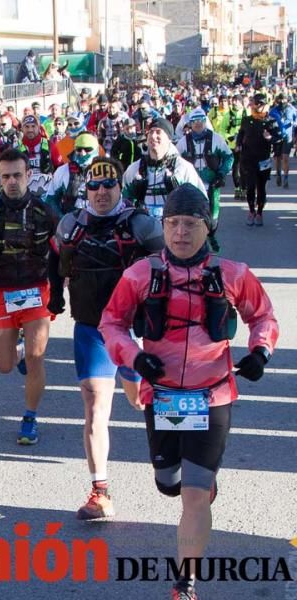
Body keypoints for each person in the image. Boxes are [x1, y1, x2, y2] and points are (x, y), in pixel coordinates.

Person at [98, 184, 278, 600]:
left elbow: (262, 315)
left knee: (195, 495)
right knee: (168, 483)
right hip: (162, 396)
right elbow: (112, 323)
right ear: (163, 226)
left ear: (207, 226)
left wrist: (260, 352)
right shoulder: (139, 275)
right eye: (173, 224)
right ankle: (197, 482)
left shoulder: (233, 273)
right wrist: (134, 357)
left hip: (211, 394)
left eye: (190, 224)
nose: (181, 232)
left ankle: (185, 584)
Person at [48, 157, 164, 520]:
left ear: (119, 186)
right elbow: (54, 259)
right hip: (91, 329)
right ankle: (101, 492)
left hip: (130, 330)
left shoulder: (142, 224)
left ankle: (177, 460)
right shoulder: (71, 224)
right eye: (93, 187)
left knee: (139, 401)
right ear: (85, 189)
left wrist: (157, 319)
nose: (100, 193)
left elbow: (168, 267)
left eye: (108, 185)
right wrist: (55, 295)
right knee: (96, 406)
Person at [0, 148, 59, 445]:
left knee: (36, 357)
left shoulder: (46, 212)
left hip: (36, 290)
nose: (12, 181)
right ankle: (16, 352)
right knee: (4, 365)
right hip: (1, 292)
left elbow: (62, 250)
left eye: (18, 175)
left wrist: (63, 281)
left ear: (29, 175)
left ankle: (30, 417)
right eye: (6, 176)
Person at [122, 118, 206, 220]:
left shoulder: (183, 168)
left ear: (169, 138)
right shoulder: (134, 169)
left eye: (158, 132)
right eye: (151, 132)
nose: (153, 136)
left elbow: (201, 203)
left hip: (176, 229)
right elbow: (123, 203)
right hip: (144, 230)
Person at [175, 108, 233, 251]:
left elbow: (228, 156)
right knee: (191, 215)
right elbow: (174, 160)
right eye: (195, 121)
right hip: (191, 185)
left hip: (212, 184)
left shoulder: (216, 139)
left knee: (213, 218)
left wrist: (221, 173)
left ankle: (211, 234)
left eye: (201, 120)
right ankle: (197, 245)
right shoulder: (183, 142)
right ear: (190, 123)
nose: (198, 123)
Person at [232, 93, 281, 227]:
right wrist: (238, 144)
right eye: (255, 103)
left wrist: (270, 138)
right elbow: (241, 134)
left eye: (261, 104)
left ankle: (259, 212)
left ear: (265, 105)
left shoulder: (271, 121)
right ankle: (251, 211)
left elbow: (279, 138)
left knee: (261, 188)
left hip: (263, 159)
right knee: (250, 187)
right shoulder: (247, 120)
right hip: (248, 159)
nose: (257, 106)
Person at [43, 133, 100, 216]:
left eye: (88, 149)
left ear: (96, 150)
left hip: (98, 221)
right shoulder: (63, 170)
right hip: (71, 222)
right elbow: (50, 199)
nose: (83, 153)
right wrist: (61, 219)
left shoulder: (105, 170)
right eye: (79, 149)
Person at [268, 93, 296, 188]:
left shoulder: (292, 110)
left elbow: (296, 121)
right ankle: (278, 173)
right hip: (277, 137)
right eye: (280, 100)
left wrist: (293, 123)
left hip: (287, 137)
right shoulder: (273, 111)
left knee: (285, 158)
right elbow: (268, 122)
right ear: (277, 101)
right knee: (277, 158)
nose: (282, 102)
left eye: (284, 100)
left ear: (287, 100)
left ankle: (286, 178)